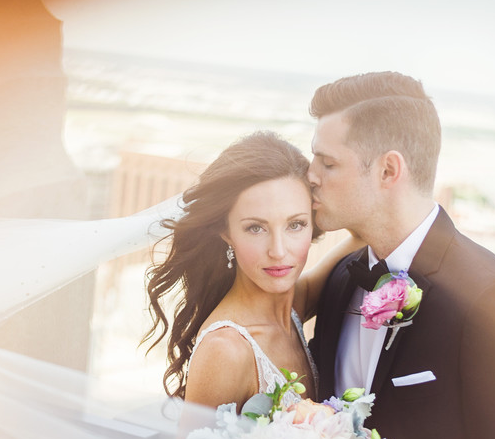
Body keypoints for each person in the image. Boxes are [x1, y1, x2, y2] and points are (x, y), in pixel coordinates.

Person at [306, 72, 495, 439]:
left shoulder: (494, 304)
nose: (310, 175)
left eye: (327, 163)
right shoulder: (340, 278)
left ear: (388, 170)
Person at [144, 130, 362, 412]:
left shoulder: (292, 304)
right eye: (255, 228)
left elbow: (367, 230)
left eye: (295, 224)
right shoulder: (225, 350)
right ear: (226, 231)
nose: (279, 251)